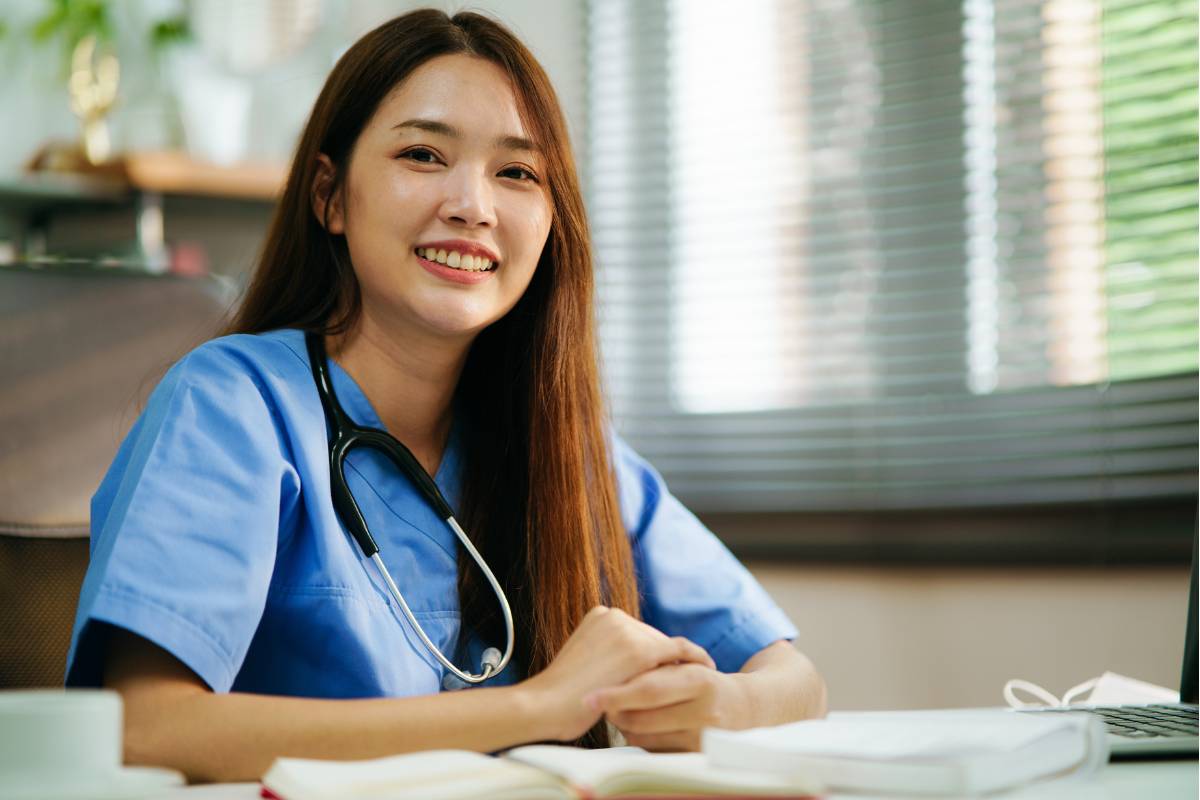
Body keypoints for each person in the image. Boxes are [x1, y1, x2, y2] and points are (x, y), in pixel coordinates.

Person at [64, 8, 826, 783]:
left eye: (517, 172)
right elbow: (143, 725)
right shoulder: (235, 406)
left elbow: (794, 680)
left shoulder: (563, 447)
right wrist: (538, 707)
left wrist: (719, 707)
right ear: (330, 195)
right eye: (424, 154)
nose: (473, 205)